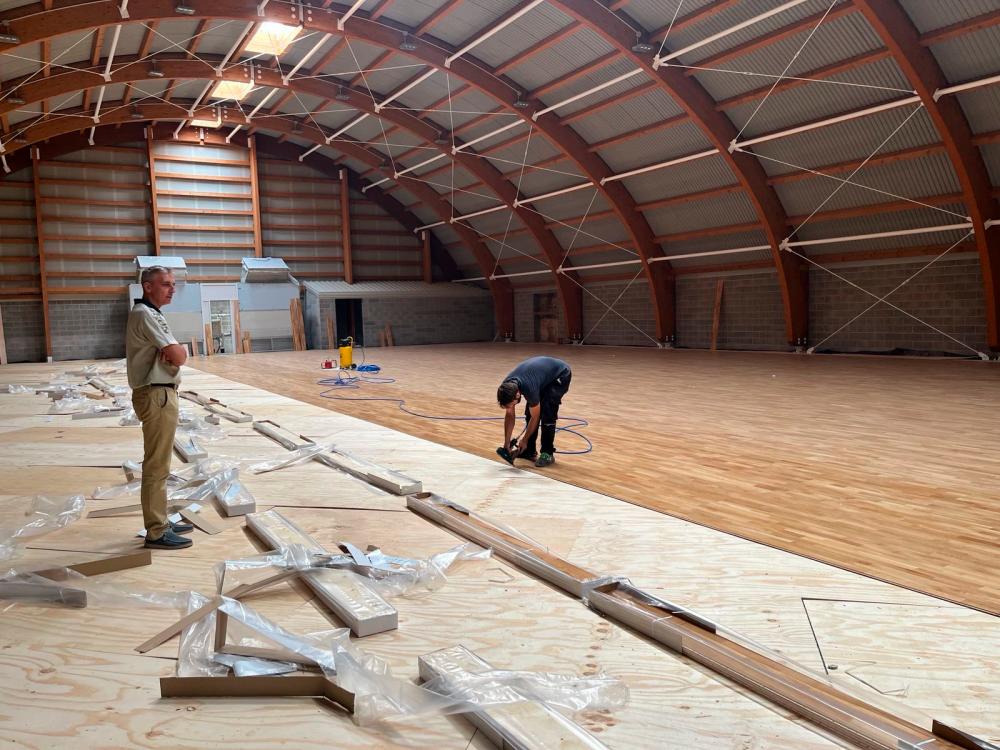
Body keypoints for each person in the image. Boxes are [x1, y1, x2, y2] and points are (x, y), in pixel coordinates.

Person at [126, 266, 193, 550]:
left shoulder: (152, 314)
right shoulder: (146, 314)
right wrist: (176, 353)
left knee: (161, 463)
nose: (172, 289)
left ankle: (161, 519)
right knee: (157, 465)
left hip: (159, 392)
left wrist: (173, 354)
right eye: (165, 284)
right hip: (156, 394)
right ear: (147, 286)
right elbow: (179, 356)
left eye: (173, 284)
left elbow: (174, 355)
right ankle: (156, 531)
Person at [497, 356, 572, 468]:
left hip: (560, 374)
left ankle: (547, 453)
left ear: (517, 394)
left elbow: (535, 417)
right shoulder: (506, 387)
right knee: (530, 412)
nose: (511, 407)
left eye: (512, 404)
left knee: (547, 411)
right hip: (541, 376)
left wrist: (524, 439)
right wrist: (507, 443)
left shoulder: (529, 388)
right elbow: (509, 414)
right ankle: (529, 451)